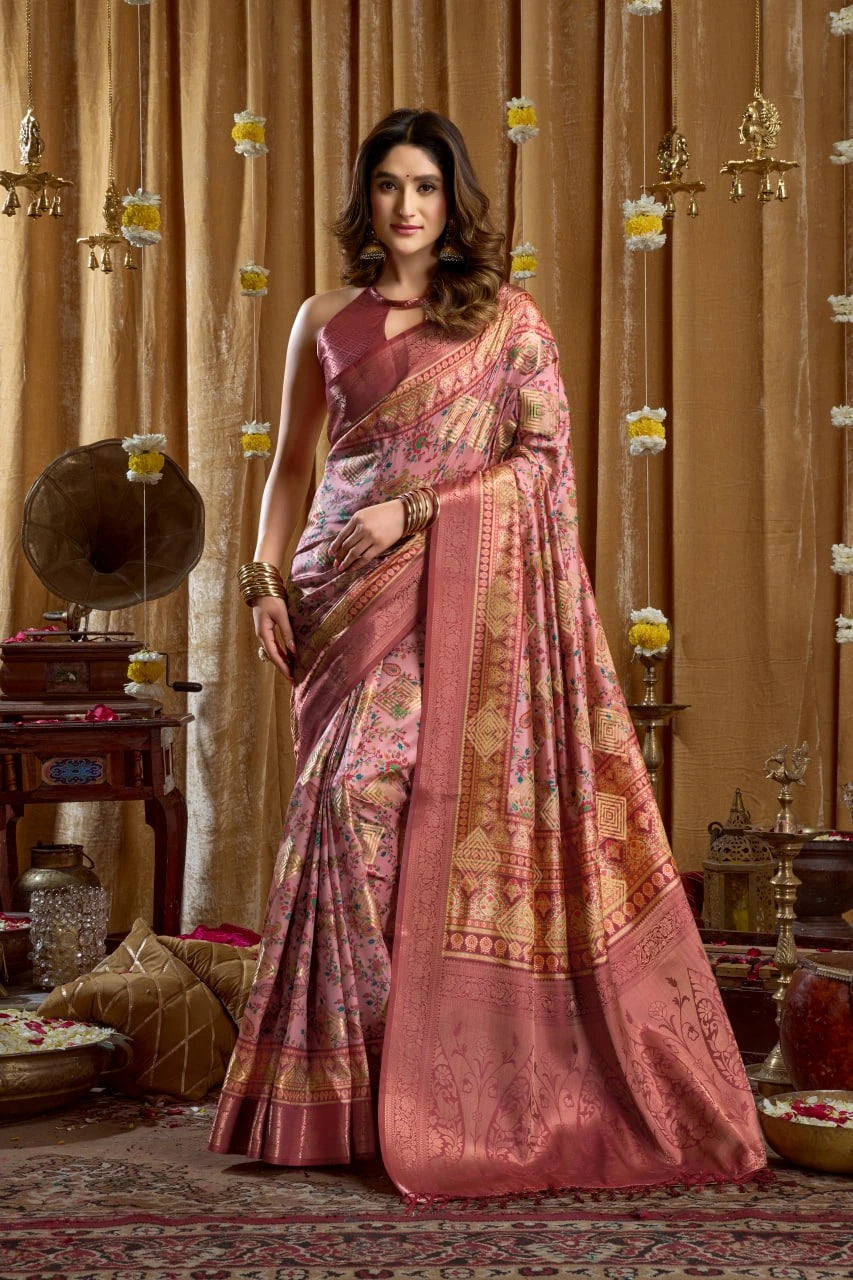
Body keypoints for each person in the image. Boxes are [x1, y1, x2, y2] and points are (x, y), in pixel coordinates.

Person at [210, 108, 767, 1199]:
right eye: (387, 186)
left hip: (449, 593)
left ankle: (411, 1085)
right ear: (364, 199)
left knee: (376, 803)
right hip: (334, 593)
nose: (406, 206)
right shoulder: (324, 317)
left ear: (451, 200)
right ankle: (340, 1095)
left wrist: (420, 509)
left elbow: (544, 460)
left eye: (424, 186)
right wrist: (261, 578)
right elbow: (287, 469)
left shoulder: (506, 322)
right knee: (340, 820)